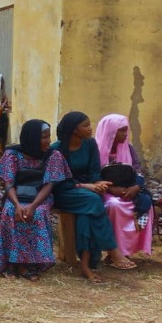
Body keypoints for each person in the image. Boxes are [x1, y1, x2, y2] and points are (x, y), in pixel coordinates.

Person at [52, 112, 137, 282]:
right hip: (63, 192)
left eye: (89, 123)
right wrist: (86, 186)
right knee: (92, 200)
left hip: (85, 194)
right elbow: (57, 181)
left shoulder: (90, 144)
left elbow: (93, 173)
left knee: (88, 211)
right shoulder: (57, 149)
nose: (90, 128)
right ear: (73, 130)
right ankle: (112, 249)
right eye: (85, 125)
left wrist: (99, 183)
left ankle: (85, 265)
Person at [0, 121, 69, 280]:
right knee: (10, 211)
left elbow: (49, 185)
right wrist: (16, 205)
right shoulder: (12, 155)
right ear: (32, 138)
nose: (48, 140)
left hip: (40, 198)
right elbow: (8, 182)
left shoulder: (53, 155)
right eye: (44, 137)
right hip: (16, 197)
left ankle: (28, 264)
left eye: (49, 136)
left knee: (38, 214)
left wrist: (34, 206)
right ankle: (13, 263)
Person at [93, 114, 154, 258]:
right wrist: (110, 188)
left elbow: (138, 170)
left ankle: (128, 250)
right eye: (121, 130)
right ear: (110, 130)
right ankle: (114, 251)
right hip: (104, 191)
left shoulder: (129, 149)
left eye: (126, 130)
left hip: (128, 190)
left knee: (146, 205)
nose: (125, 133)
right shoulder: (95, 150)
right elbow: (93, 175)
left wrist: (136, 187)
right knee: (114, 205)